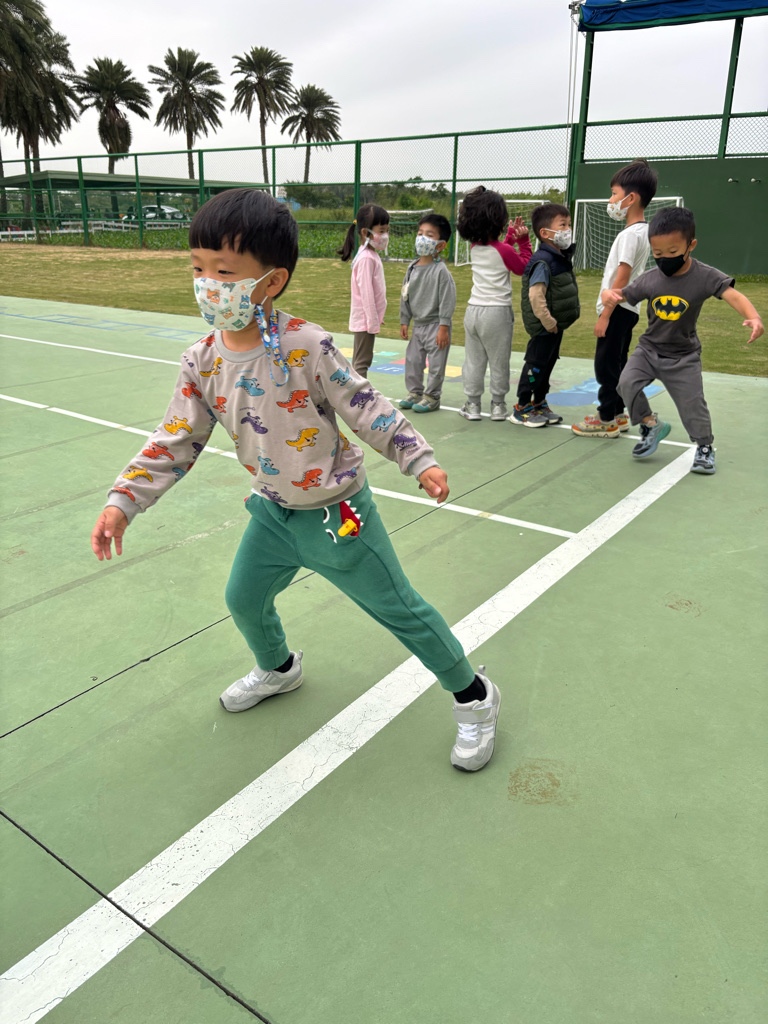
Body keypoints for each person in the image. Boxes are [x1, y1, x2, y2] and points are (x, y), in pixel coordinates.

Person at [89, 188, 501, 772]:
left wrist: (417, 456)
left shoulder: (307, 345)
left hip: (339, 516)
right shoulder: (200, 360)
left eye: (224, 272)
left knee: (399, 609)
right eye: (198, 268)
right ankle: (279, 668)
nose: (207, 284)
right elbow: (175, 438)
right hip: (272, 513)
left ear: (272, 281)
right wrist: (123, 500)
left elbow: (365, 406)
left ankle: (474, 696)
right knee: (244, 598)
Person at [603, 206, 763, 474]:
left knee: (693, 405)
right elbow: (622, 294)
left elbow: (733, 295)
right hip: (649, 350)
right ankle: (651, 425)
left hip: (683, 356)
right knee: (626, 383)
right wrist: (610, 295)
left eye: (673, 252)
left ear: (691, 245)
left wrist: (754, 317)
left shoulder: (705, 276)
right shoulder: (650, 279)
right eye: (658, 254)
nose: (665, 258)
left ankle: (704, 447)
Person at [572, 158, 658, 438]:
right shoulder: (644, 232)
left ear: (630, 198)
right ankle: (619, 414)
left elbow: (623, 275)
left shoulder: (630, 235)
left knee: (606, 366)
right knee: (618, 362)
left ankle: (606, 418)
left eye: (614, 194)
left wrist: (605, 315)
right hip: (629, 309)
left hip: (617, 309)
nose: (610, 200)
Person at [455, 186, 532, 422]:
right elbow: (522, 266)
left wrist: (509, 238)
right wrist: (524, 241)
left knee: (474, 361)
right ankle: (498, 406)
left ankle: (472, 405)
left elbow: (500, 252)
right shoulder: (504, 250)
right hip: (497, 313)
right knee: (499, 361)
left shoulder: (475, 248)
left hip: (473, 311)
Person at [512, 203, 581, 427]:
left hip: (554, 327)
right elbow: (536, 296)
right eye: (563, 225)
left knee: (547, 364)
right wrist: (549, 321)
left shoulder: (559, 257)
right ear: (545, 233)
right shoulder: (543, 261)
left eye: (569, 225)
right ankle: (522, 407)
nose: (568, 230)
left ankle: (539, 402)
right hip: (545, 327)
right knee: (535, 365)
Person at [398, 213, 456, 414]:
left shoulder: (440, 271)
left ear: (440, 245)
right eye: (420, 233)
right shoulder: (412, 268)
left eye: (429, 235)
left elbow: (447, 300)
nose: (422, 238)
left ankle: (432, 396)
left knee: (436, 365)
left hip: (436, 326)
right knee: (413, 360)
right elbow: (405, 294)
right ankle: (415, 392)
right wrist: (405, 320)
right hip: (418, 326)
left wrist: (443, 327)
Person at [337, 203, 390, 378]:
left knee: (362, 360)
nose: (385, 235)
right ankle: (358, 393)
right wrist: (372, 321)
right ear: (365, 233)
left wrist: (376, 317)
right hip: (365, 322)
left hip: (367, 320)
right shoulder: (366, 258)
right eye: (381, 231)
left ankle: (357, 392)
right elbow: (367, 294)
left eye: (387, 230)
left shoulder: (370, 255)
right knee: (362, 362)